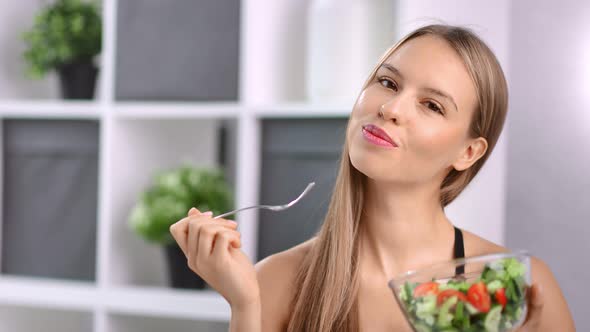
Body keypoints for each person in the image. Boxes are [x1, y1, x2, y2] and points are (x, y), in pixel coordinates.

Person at [169, 24, 575, 332]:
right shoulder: (274, 282)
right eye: (387, 82)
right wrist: (244, 307)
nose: (392, 108)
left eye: (432, 105)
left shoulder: (513, 287)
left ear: (467, 153)